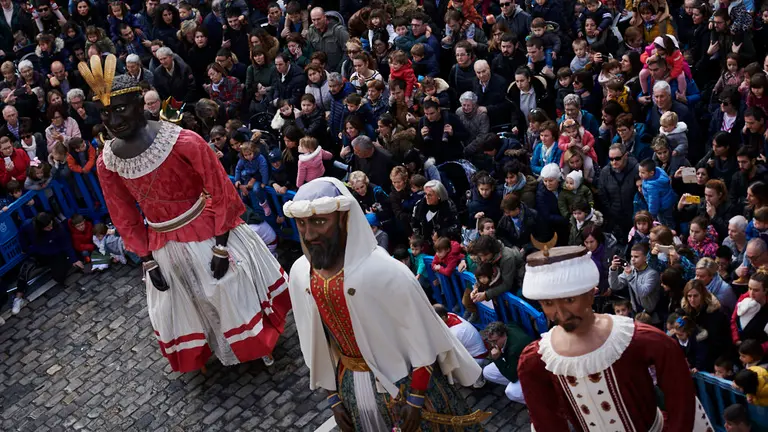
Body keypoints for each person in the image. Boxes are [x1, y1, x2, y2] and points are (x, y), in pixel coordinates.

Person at [87, 55, 290, 372]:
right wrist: (147, 257)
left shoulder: (183, 141)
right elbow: (122, 212)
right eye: (105, 113)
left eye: (120, 108)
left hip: (206, 230)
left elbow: (220, 187)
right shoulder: (108, 161)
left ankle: (256, 344)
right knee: (185, 303)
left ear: (141, 104)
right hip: (162, 243)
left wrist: (222, 245)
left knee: (229, 290)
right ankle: (216, 348)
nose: (113, 120)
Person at [283, 176, 485, 432]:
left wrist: (416, 396)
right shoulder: (301, 273)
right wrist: (332, 396)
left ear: (343, 219)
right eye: (302, 224)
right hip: (350, 385)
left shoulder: (387, 271)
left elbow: (421, 336)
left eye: (319, 222)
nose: (309, 234)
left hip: (403, 382)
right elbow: (313, 340)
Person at [518, 245, 714, 430]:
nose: (561, 313)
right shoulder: (537, 358)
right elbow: (545, 420)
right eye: (548, 303)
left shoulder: (638, 339)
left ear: (590, 294)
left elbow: (681, 399)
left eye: (570, 300)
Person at [481, 321, 532, 403]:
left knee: (511, 392)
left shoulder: (514, 349)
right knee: (487, 372)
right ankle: (521, 387)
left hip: (530, 371)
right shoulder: (508, 327)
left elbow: (513, 377)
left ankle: (533, 401)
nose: (493, 345)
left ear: (503, 335)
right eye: (490, 341)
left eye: (495, 341)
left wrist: (497, 359)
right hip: (517, 363)